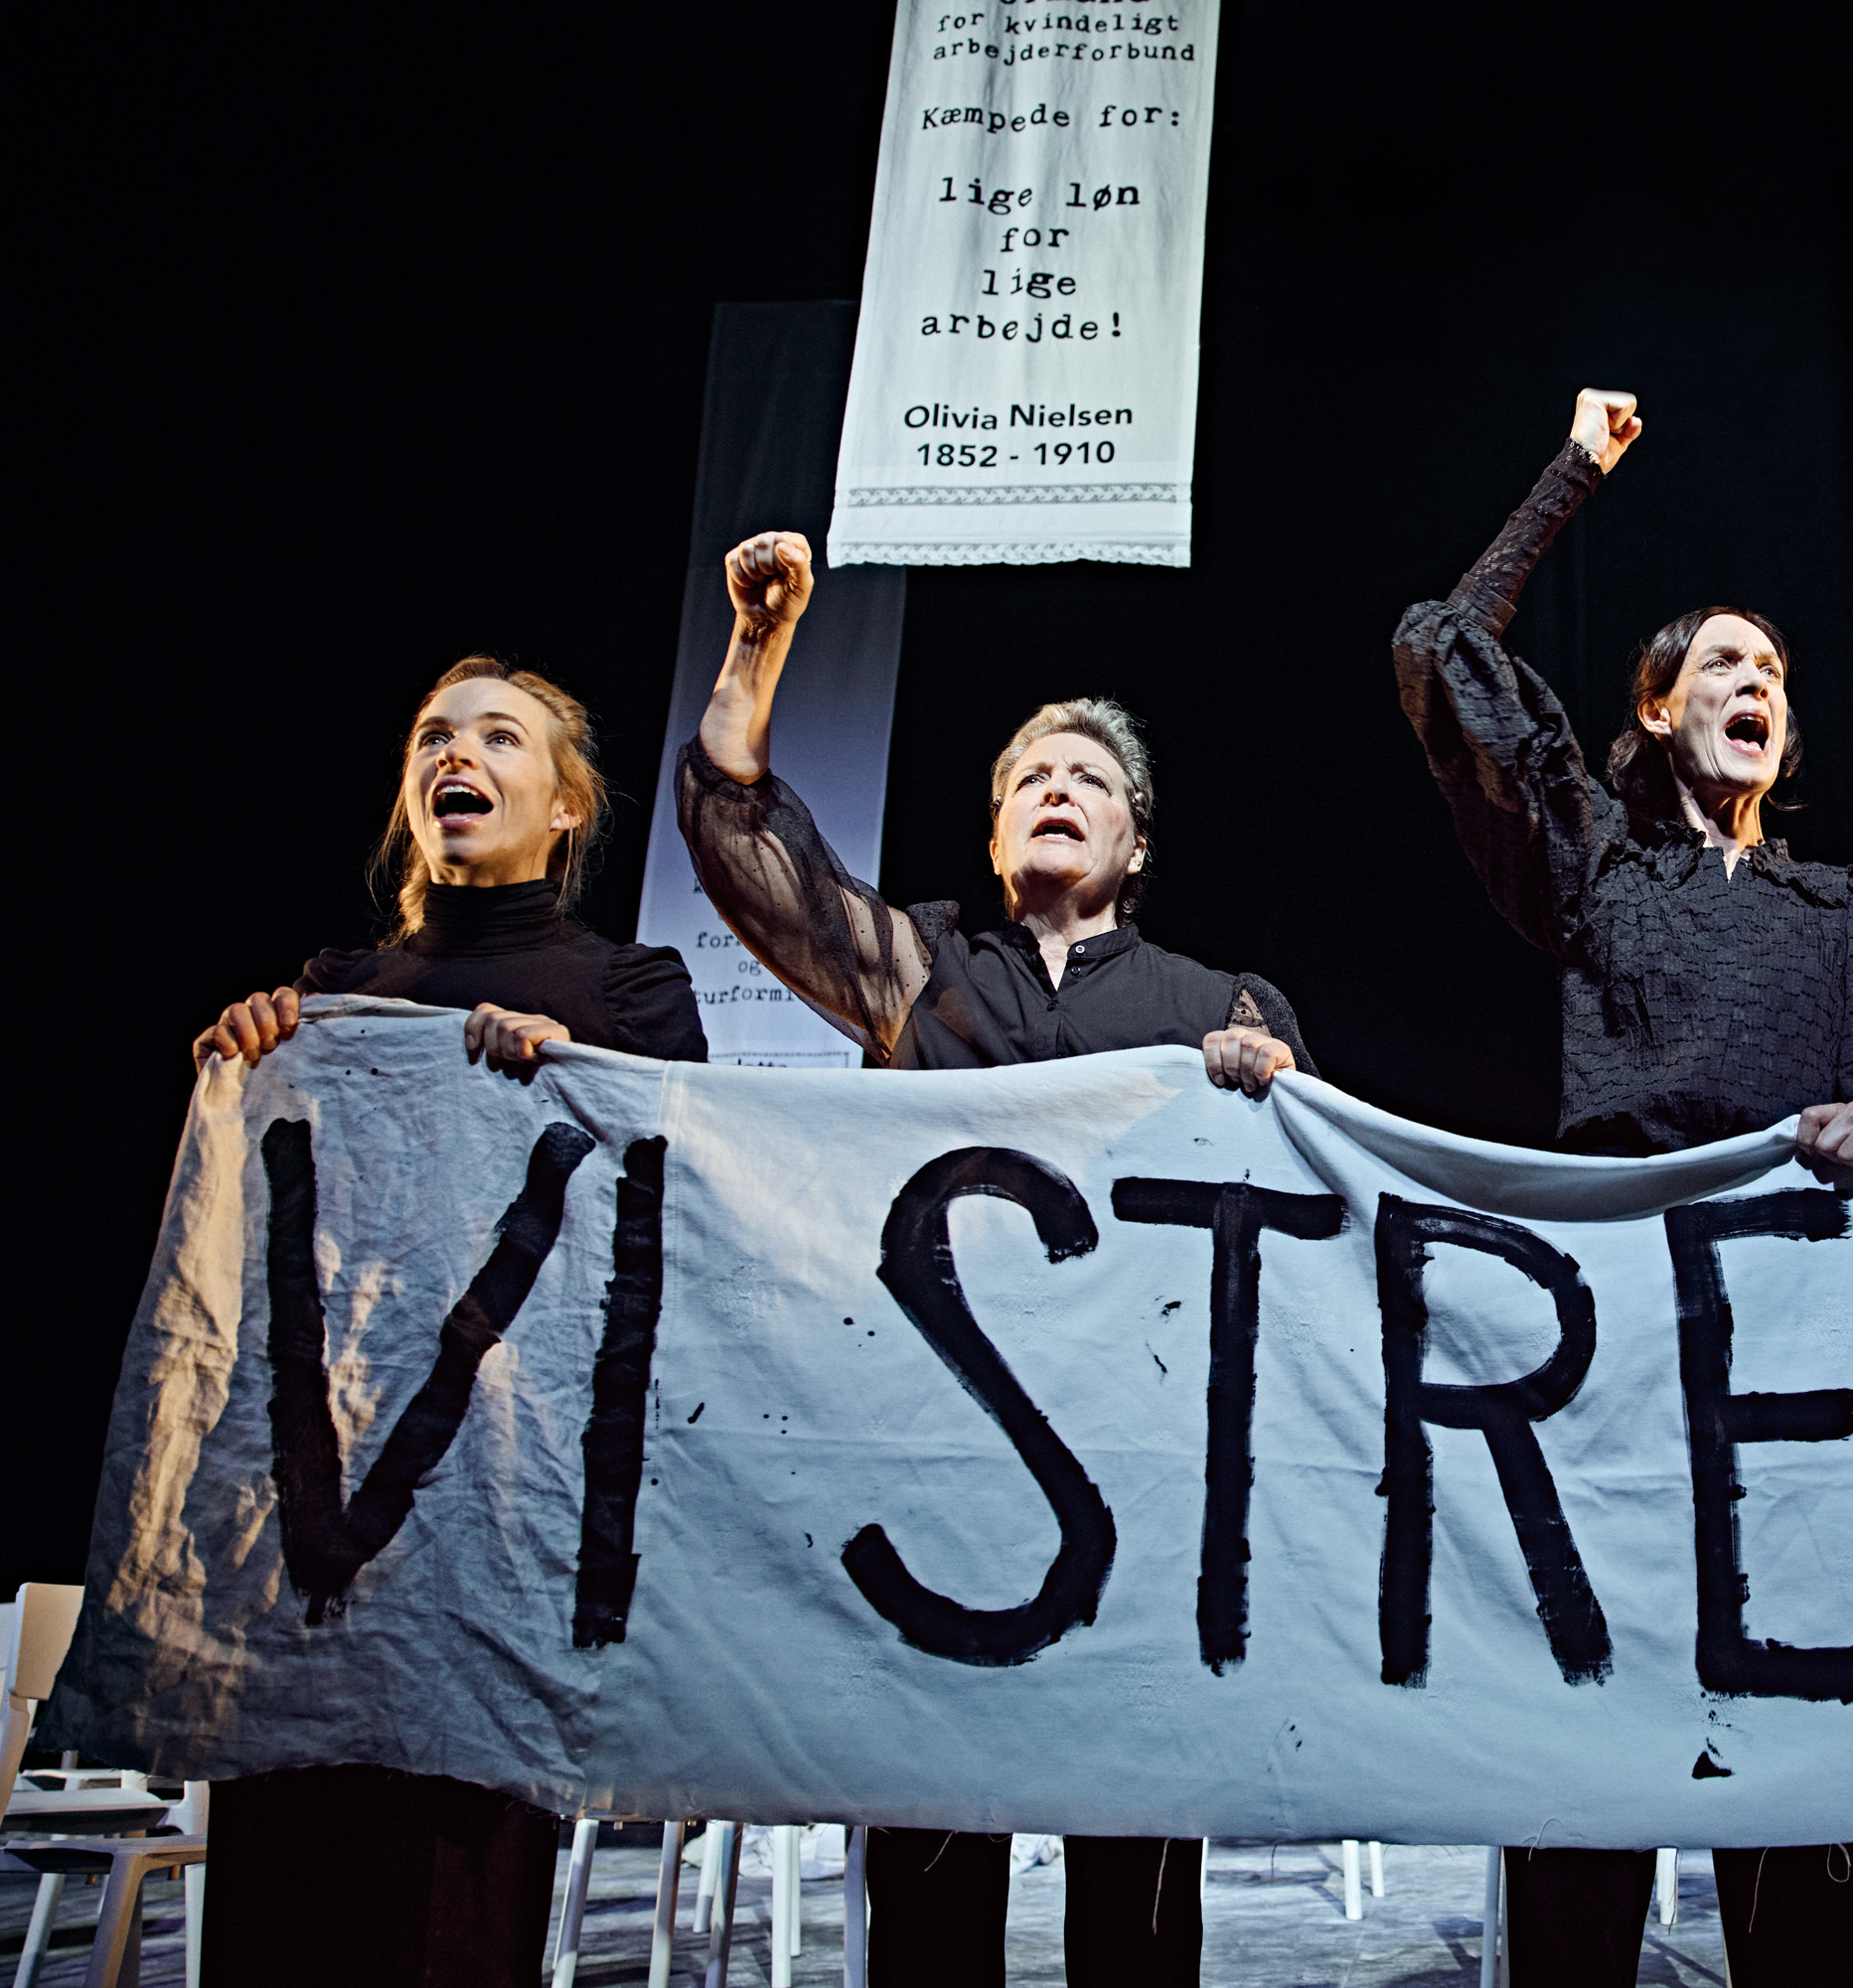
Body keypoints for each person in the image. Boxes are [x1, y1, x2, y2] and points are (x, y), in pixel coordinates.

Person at [1391, 391, 1853, 1987]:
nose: (1761, 686)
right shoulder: (1600, 858)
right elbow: (1441, 648)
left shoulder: (1845, 901)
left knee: (1813, 1769)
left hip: (1811, 1355)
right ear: (1659, 707)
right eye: (1728, 664)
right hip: (1619, 1356)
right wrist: (1572, 473)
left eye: (1778, 676)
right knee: (1593, 1748)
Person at [678, 528, 1311, 1987]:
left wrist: (1266, 1085)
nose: (1057, 790)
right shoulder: (921, 968)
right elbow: (736, 836)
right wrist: (759, 646)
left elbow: (1298, 1220)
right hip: (939, 1481)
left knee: (1138, 1902)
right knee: (932, 1898)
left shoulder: (1219, 999)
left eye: (1089, 778)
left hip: (1143, 1495)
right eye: (1030, 775)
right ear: (991, 832)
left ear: (1137, 844)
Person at [192, 655, 708, 1988]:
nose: (452, 755)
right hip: (318, 1518)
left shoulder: (632, 994)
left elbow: (680, 1208)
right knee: (278, 1907)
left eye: (496, 736)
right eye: (432, 735)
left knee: (443, 1917)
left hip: (496, 1532)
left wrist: (578, 1081)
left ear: (565, 807)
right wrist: (256, 1050)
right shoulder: (337, 990)